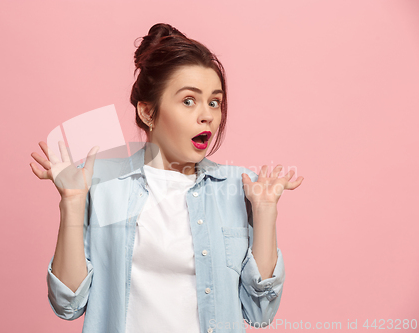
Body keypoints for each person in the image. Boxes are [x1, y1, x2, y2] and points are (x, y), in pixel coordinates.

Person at [30, 23, 303, 333]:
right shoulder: (101, 183)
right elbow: (68, 304)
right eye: (189, 100)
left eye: (214, 102)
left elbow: (260, 311)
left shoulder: (240, 187)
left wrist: (266, 212)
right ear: (148, 113)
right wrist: (72, 203)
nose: (207, 115)